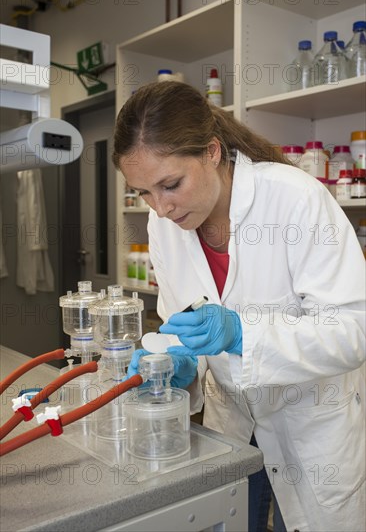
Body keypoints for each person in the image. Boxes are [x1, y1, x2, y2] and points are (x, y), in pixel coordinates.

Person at [113, 81, 365, 531]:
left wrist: (244, 334)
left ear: (211, 151)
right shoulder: (164, 222)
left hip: (309, 425)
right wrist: (175, 362)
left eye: (170, 184)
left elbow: (353, 328)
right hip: (229, 424)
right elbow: (179, 319)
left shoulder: (295, 198)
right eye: (143, 192)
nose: (161, 207)